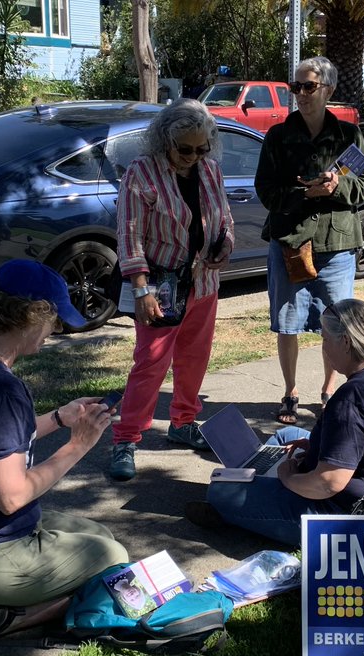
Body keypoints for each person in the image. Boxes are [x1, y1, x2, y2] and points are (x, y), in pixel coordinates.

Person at [0, 259, 129, 653]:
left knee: (100, 535)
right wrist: (78, 444)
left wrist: (59, 418)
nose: (56, 330)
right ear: (32, 317)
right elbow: (11, 496)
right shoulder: (1, 390)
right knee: (114, 559)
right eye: (54, 321)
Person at [184, 299, 364, 545]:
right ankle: (257, 484)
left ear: (346, 341)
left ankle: (248, 496)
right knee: (286, 435)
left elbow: (328, 484)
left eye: (326, 340)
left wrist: (288, 477)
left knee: (219, 493)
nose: (325, 349)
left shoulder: (352, 397)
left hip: (351, 517)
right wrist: (317, 448)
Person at [109, 98, 235, 482]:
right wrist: (141, 288)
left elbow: (224, 217)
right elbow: (128, 234)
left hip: (203, 283)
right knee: (151, 363)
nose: (193, 157)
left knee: (195, 357)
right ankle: (125, 439)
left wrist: (225, 242)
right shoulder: (141, 173)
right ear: (164, 139)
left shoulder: (210, 170)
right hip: (159, 285)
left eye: (202, 148)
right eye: (185, 149)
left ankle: (183, 421)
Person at [255, 56, 364, 426]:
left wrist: (338, 186)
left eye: (309, 87)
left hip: (336, 248)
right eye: (296, 87)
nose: (301, 94)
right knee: (287, 322)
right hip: (291, 244)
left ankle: (329, 390)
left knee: (337, 325)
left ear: (329, 90)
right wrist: (305, 195)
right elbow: (266, 190)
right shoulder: (278, 136)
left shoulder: (349, 137)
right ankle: (290, 391)